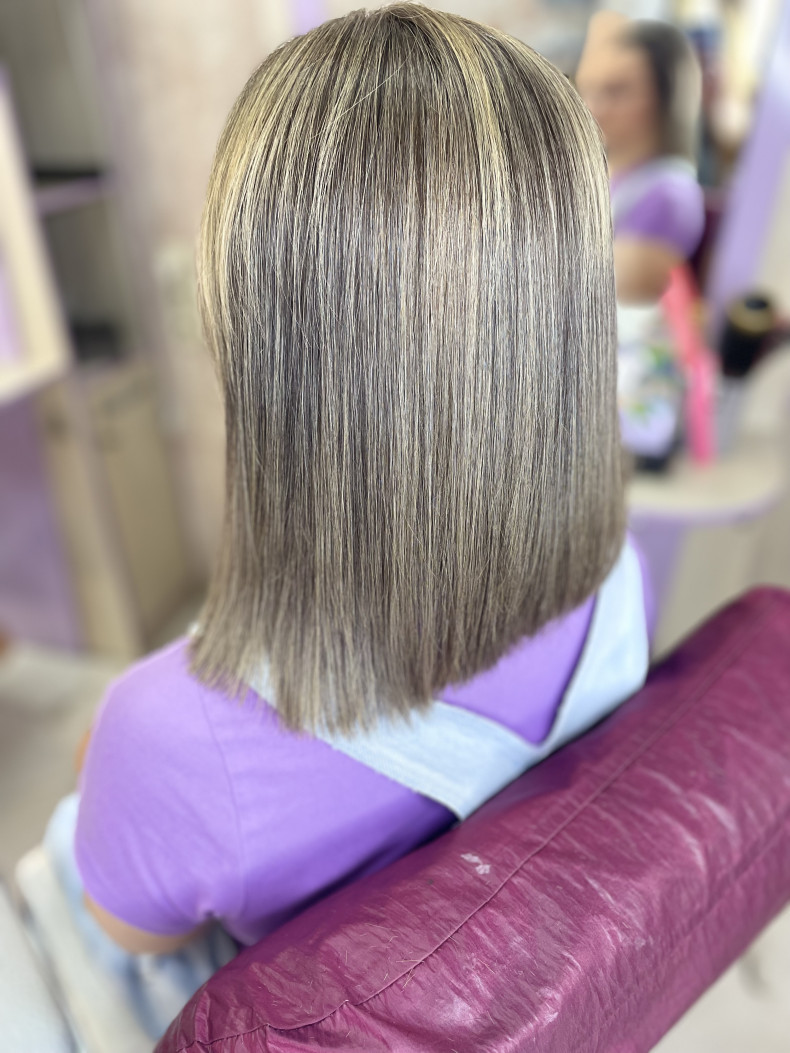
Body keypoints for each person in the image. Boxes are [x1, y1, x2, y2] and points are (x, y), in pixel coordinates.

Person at [35, 3, 651, 1037]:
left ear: (258, 335)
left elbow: (126, 936)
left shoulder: (175, 737)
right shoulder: (619, 574)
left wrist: (119, 769)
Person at [577, 13, 705, 463]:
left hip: (619, 410)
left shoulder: (668, 195)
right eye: (591, 89)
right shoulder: (607, 179)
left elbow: (605, 306)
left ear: (665, 98)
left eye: (618, 91)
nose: (594, 105)